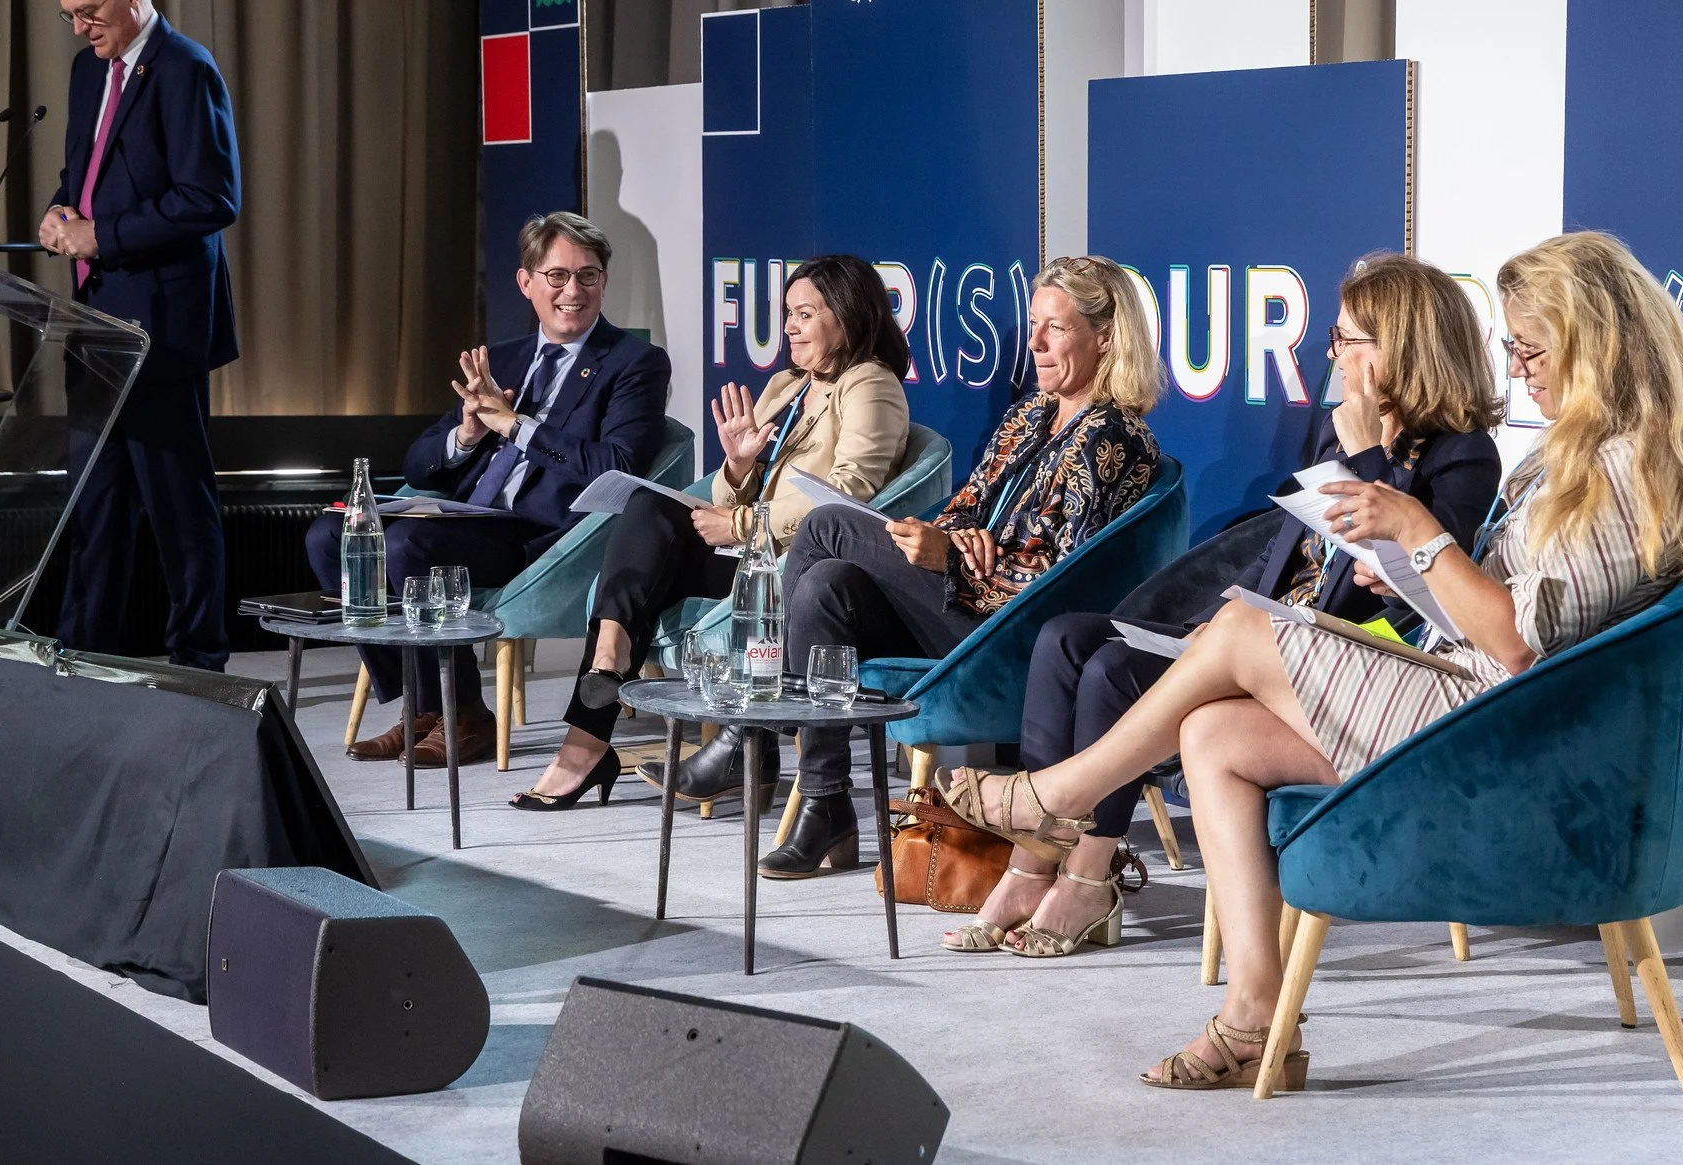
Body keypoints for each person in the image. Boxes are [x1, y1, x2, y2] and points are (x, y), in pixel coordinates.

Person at [937, 231, 1683, 1090]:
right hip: (1479, 700)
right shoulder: (1583, 456)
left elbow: (1517, 640)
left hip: (1502, 735)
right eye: (1513, 348)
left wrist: (1417, 531)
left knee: (1241, 635)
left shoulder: (1625, 472)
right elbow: (1492, 616)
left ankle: (1059, 794)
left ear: (1596, 343)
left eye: (1533, 349)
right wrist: (1413, 561)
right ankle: (1255, 1018)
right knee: (1213, 733)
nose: (1519, 370)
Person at [953, 255, 1503, 957]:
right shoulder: (1336, 427)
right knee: (1067, 639)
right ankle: (1031, 866)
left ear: (1399, 346)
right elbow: (1289, 544)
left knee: (1114, 674)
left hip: (1332, 655)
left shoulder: (1462, 455)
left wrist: (1368, 455)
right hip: (1260, 623)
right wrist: (1221, 614)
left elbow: (1407, 586)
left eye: (1346, 339)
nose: (1332, 355)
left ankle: (1089, 878)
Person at [764, 255, 1165, 879]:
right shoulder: (1030, 415)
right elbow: (964, 509)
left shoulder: (1111, 437)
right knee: (826, 583)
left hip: (1012, 637)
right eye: (1034, 326)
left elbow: (1066, 579)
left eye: (1055, 329)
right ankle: (826, 800)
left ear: (1106, 338)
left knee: (827, 526)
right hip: (959, 608)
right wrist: (953, 541)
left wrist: (955, 558)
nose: (1035, 343)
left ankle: (760, 723)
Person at [512, 254, 911, 810]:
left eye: (805, 314)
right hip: (752, 555)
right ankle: (608, 662)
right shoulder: (786, 386)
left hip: (796, 568)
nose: (790, 327)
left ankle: (597, 740)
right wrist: (739, 467)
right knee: (648, 510)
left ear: (846, 316)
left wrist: (742, 522)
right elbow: (728, 500)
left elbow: (848, 495)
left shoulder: (869, 384)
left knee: (649, 556)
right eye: (787, 313)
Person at [306, 213, 669, 768]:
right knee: (331, 536)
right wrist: (468, 434)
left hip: (542, 537)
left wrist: (517, 426)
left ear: (604, 280)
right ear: (526, 282)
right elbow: (419, 463)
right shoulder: (503, 358)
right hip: (466, 518)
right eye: (557, 276)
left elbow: (617, 465)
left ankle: (465, 713)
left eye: (588, 275)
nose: (573, 291)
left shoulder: (633, 362)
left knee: (407, 547)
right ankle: (424, 707)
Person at [42, 0, 239, 671]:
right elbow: (84, 176)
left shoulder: (187, 69)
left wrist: (102, 236)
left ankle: (199, 661)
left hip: (159, 327)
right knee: (95, 510)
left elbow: (211, 197)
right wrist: (60, 211)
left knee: (179, 511)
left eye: (88, 12)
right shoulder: (85, 72)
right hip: (94, 322)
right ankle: (82, 660)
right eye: (68, 15)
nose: (79, 28)